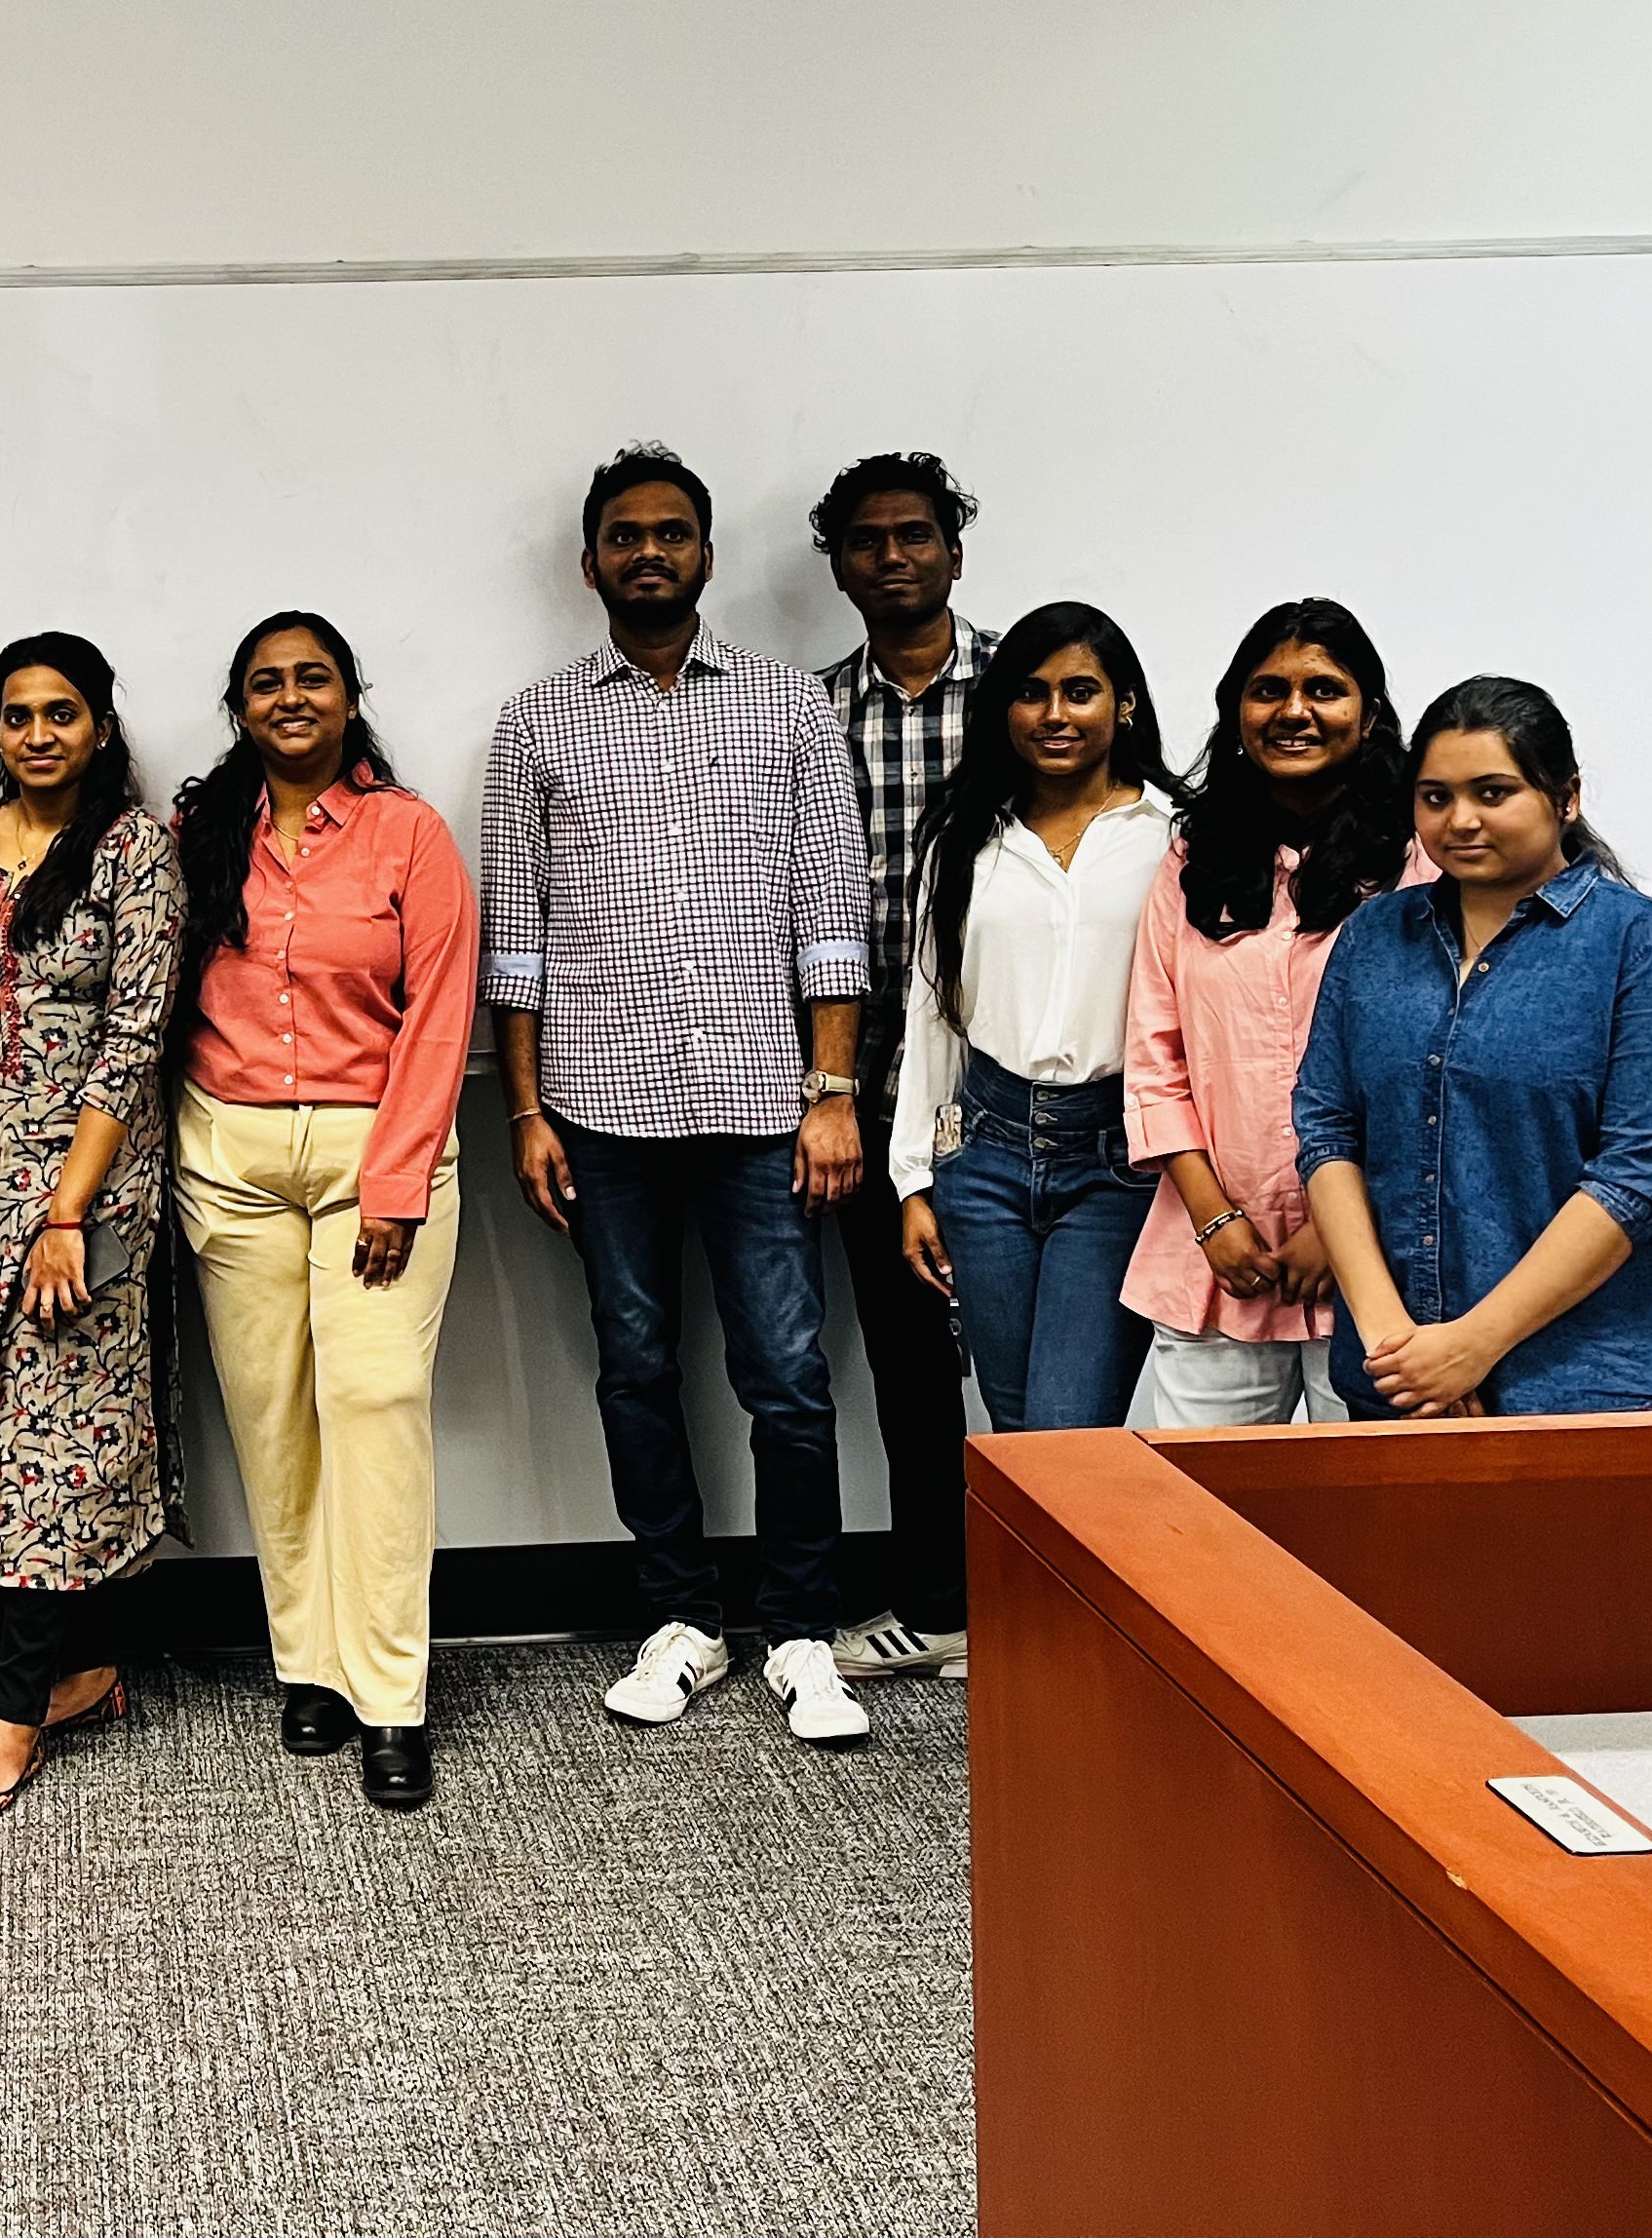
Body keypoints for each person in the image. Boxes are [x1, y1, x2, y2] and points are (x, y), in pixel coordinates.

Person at [481, 445, 876, 1750]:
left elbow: (832, 919)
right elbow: (516, 942)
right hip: (599, 1107)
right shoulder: (537, 721)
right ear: (590, 559)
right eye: (623, 536)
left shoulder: (787, 709)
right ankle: (682, 1623)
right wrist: (527, 1112)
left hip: (767, 1106)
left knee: (789, 1375)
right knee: (637, 1368)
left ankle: (804, 1633)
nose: (647, 553)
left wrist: (833, 1091)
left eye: (671, 533)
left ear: (705, 555)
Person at [173, 612, 476, 1814]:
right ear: (239, 705)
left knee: (376, 1406)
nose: (290, 697)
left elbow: (441, 1017)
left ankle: (391, 1693)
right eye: (266, 682)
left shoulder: (410, 833)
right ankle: (309, 1663)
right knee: (272, 1419)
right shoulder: (203, 834)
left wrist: (397, 1184)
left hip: (374, 1155)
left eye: (313, 677)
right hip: (230, 1155)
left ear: (351, 695)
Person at [1297, 677, 1652, 1420]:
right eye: (1435, 797)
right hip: (1392, 1375)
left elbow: (1638, 1179)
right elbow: (1327, 1131)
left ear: (1567, 797)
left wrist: (1471, 1346)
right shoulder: (1373, 937)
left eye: (1493, 793)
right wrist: (1398, 1342)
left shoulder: (1642, 948)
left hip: (1576, 1383)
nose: (1461, 820)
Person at [0, 636, 183, 1831]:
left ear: (99, 724)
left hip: (89, 1182)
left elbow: (134, 1042)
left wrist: (67, 1212)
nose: (38, 734)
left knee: (56, 1433)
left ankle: (14, 1712)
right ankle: (76, 1674)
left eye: (62, 713)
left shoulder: (134, 850)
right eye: (19, 714)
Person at [1121, 601, 1422, 1430]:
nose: (1293, 711)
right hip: (1222, 1259)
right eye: (1268, 690)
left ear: (1368, 715)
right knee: (1205, 1520)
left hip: (1379, 1263)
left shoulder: (1419, 859)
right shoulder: (1191, 861)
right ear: (1236, 713)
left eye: (1323, 689)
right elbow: (1155, 1061)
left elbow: (1430, 1066)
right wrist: (1214, 1220)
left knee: (1367, 1526)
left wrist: (1340, 1231)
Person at [892, 602, 1177, 1435]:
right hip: (982, 1153)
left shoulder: (1174, 837)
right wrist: (914, 1179)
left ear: (1123, 704)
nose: (1054, 715)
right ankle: (1033, 1573)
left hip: (1115, 1160)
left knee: (1066, 1428)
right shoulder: (962, 839)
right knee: (1017, 1429)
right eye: (1030, 692)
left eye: (1079, 691)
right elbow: (932, 1010)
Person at [810, 451, 995, 1684]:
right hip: (867, 1082)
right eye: (867, 540)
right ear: (837, 563)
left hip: (1029, 1073)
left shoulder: (1029, 688)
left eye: (915, 535)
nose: (892, 557)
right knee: (910, 1351)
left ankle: (1061, 1600)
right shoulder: (805, 712)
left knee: (1049, 1351)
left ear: (953, 550)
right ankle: (940, 1598)